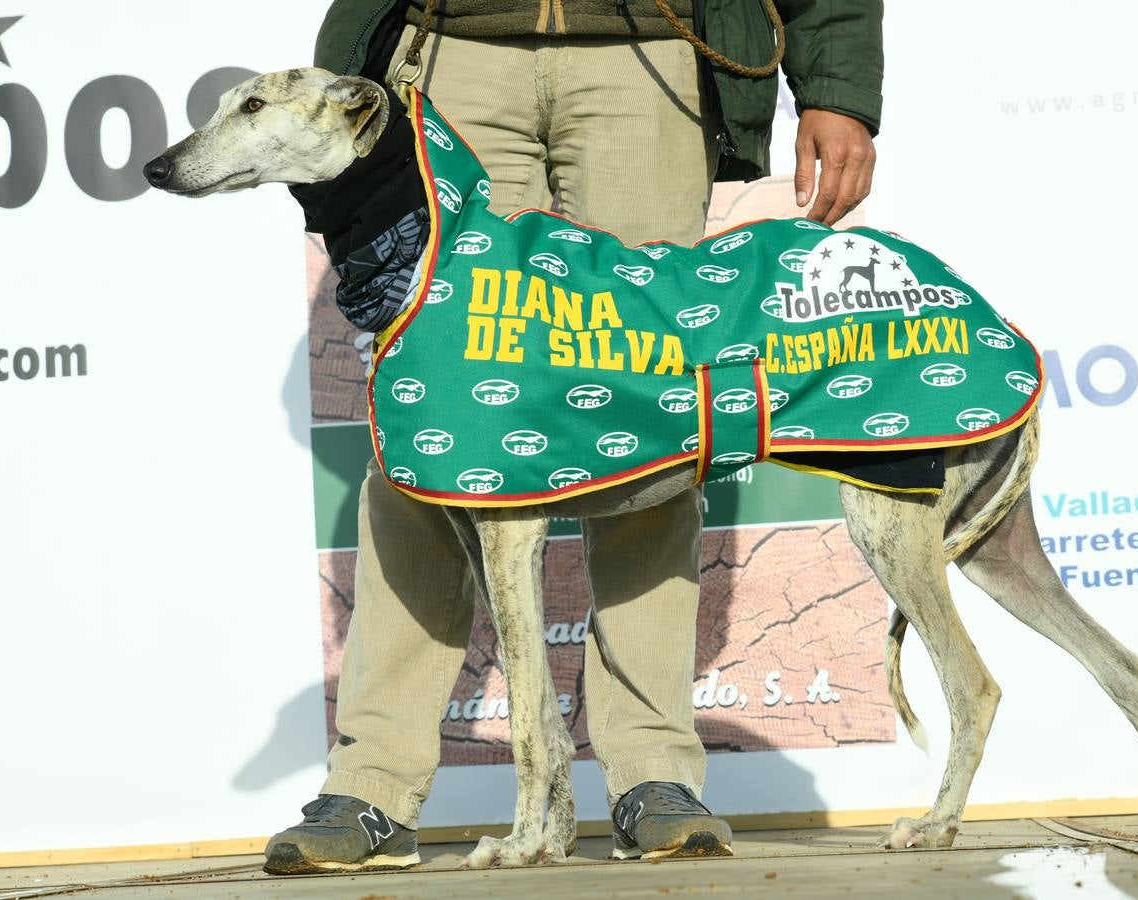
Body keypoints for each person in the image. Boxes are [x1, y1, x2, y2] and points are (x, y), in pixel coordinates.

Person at [265, 0, 883, 874]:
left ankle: (651, 774)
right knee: (429, 435)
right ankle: (374, 785)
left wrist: (839, 88)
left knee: (648, 409)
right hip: (450, 55)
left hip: (646, 56)